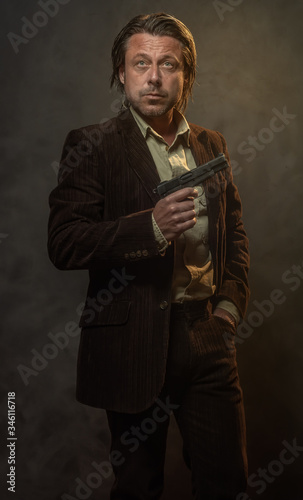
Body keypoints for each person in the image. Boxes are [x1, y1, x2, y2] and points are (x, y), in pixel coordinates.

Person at [48, 12, 250, 500]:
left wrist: (227, 309)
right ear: (122, 71)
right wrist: (151, 227)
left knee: (228, 485)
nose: (154, 77)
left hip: (207, 335)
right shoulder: (91, 145)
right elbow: (65, 242)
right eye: (141, 63)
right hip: (131, 341)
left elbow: (235, 235)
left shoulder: (210, 145)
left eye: (168, 65)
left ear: (185, 75)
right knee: (138, 487)